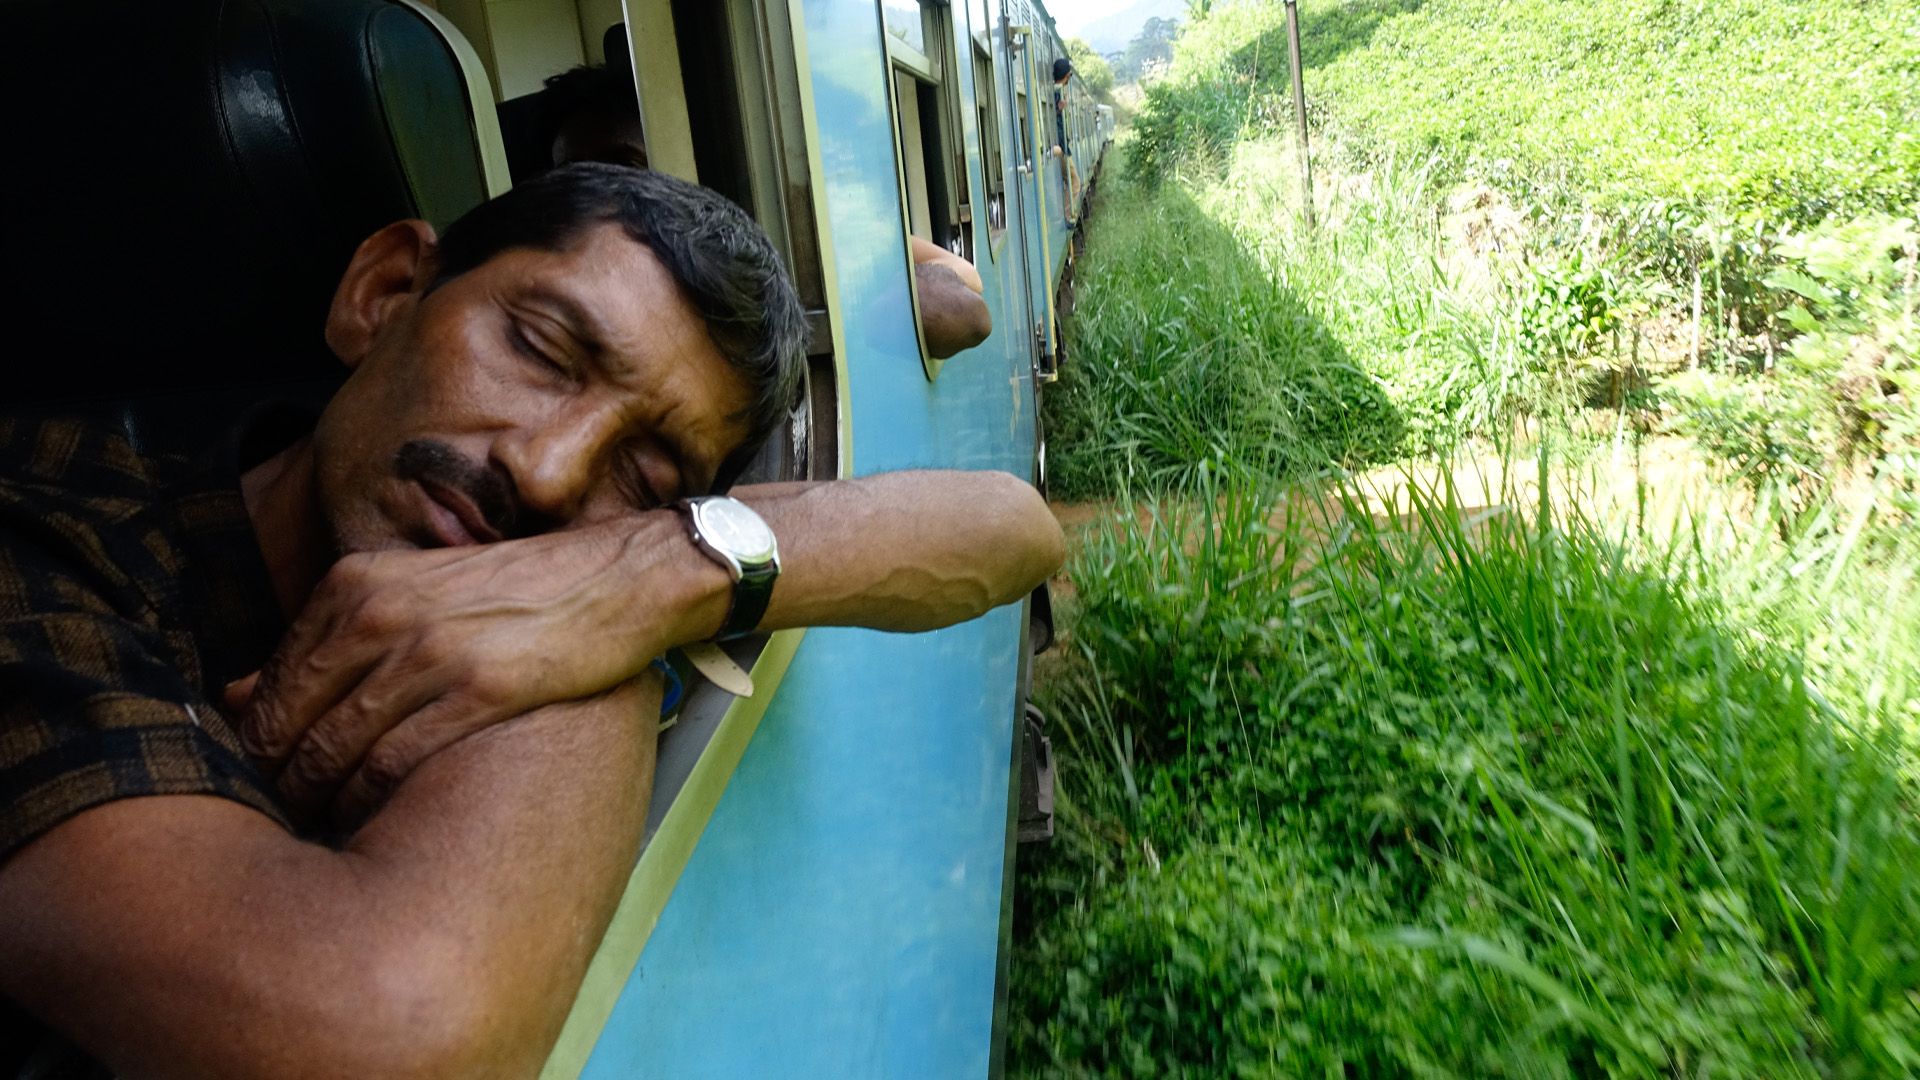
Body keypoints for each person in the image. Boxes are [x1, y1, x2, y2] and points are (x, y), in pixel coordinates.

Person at [0, 163, 1064, 1078]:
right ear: (382, 294)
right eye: (545, 352)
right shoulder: (43, 547)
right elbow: (388, 1028)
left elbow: (1012, 529)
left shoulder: (599, 563)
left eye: (645, 474)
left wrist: (644, 578)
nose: (550, 474)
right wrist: (621, 581)